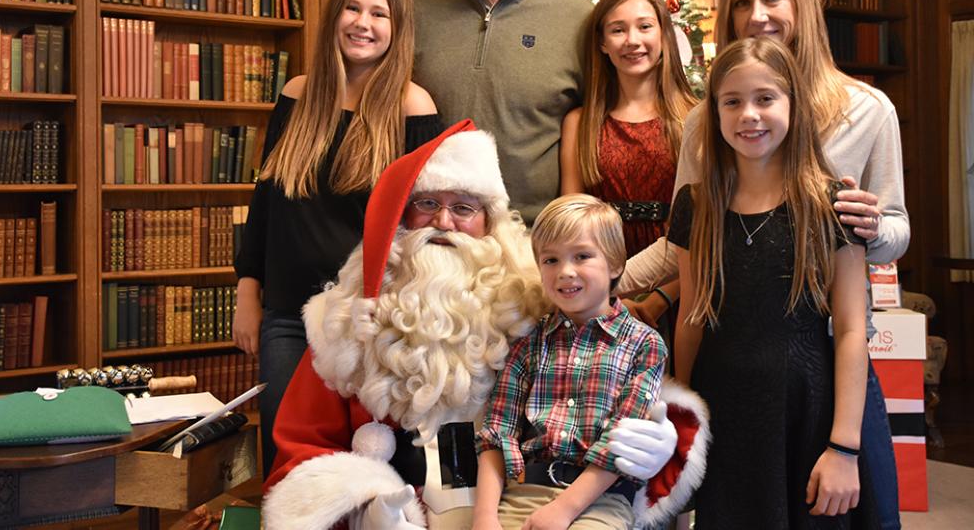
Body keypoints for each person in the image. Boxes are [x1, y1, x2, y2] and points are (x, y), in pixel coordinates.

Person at [262, 121, 708, 530]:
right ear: (402, 216)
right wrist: (364, 503)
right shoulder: (347, 321)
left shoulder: (532, 304)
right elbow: (303, 449)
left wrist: (657, 436)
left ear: (489, 222)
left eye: (463, 208)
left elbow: (610, 373)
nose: (442, 222)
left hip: (528, 500)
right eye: (428, 204)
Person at [622, 0, 907, 528]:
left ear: (802, 3)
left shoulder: (867, 110)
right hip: (733, 372)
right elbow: (691, 245)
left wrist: (868, 227)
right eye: (743, 1)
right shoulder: (707, 121)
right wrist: (603, 277)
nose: (758, 14)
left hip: (822, 367)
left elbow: (894, 233)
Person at [232, 0, 443, 476]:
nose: (362, 23)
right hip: (288, 313)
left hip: (369, 319)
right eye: (353, 8)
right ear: (334, 16)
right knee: (290, 462)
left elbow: (424, 226)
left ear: (398, 29)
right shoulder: (298, 95)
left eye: (379, 13)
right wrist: (246, 291)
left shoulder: (412, 106)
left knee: (371, 465)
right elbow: (267, 202)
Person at [670, 37, 876, 527]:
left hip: (805, 411)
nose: (749, 115)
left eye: (765, 98)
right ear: (715, 113)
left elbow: (851, 328)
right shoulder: (694, 206)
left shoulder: (831, 204)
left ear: (792, 105)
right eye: (732, 101)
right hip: (721, 409)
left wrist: (843, 447)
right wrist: (683, 419)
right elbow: (691, 318)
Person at [412, 0, 595, 224]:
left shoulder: (580, 19)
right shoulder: (416, 6)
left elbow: (596, 136)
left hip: (530, 245)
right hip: (429, 236)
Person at [473, 195, 668, 530]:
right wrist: (485, 517)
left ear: (615, 264)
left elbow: (619, 443)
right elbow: (497, 432)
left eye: (581, 256)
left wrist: (563, 510)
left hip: (598, 501)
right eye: (550, 260)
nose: (565, 272)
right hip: (520, 491)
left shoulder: (644, 344)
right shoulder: (529, 342)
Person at [560, 0, 696, 330]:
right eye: (618, 30)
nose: (633, 40)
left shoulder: (696, 119)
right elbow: (572, 225)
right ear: (603, 43)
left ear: (664, 35)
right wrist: (601, 295)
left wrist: (657, 300)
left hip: (680, 291)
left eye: (645, 26)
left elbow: (703, 233)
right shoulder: (581, 123)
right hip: (600, 293)